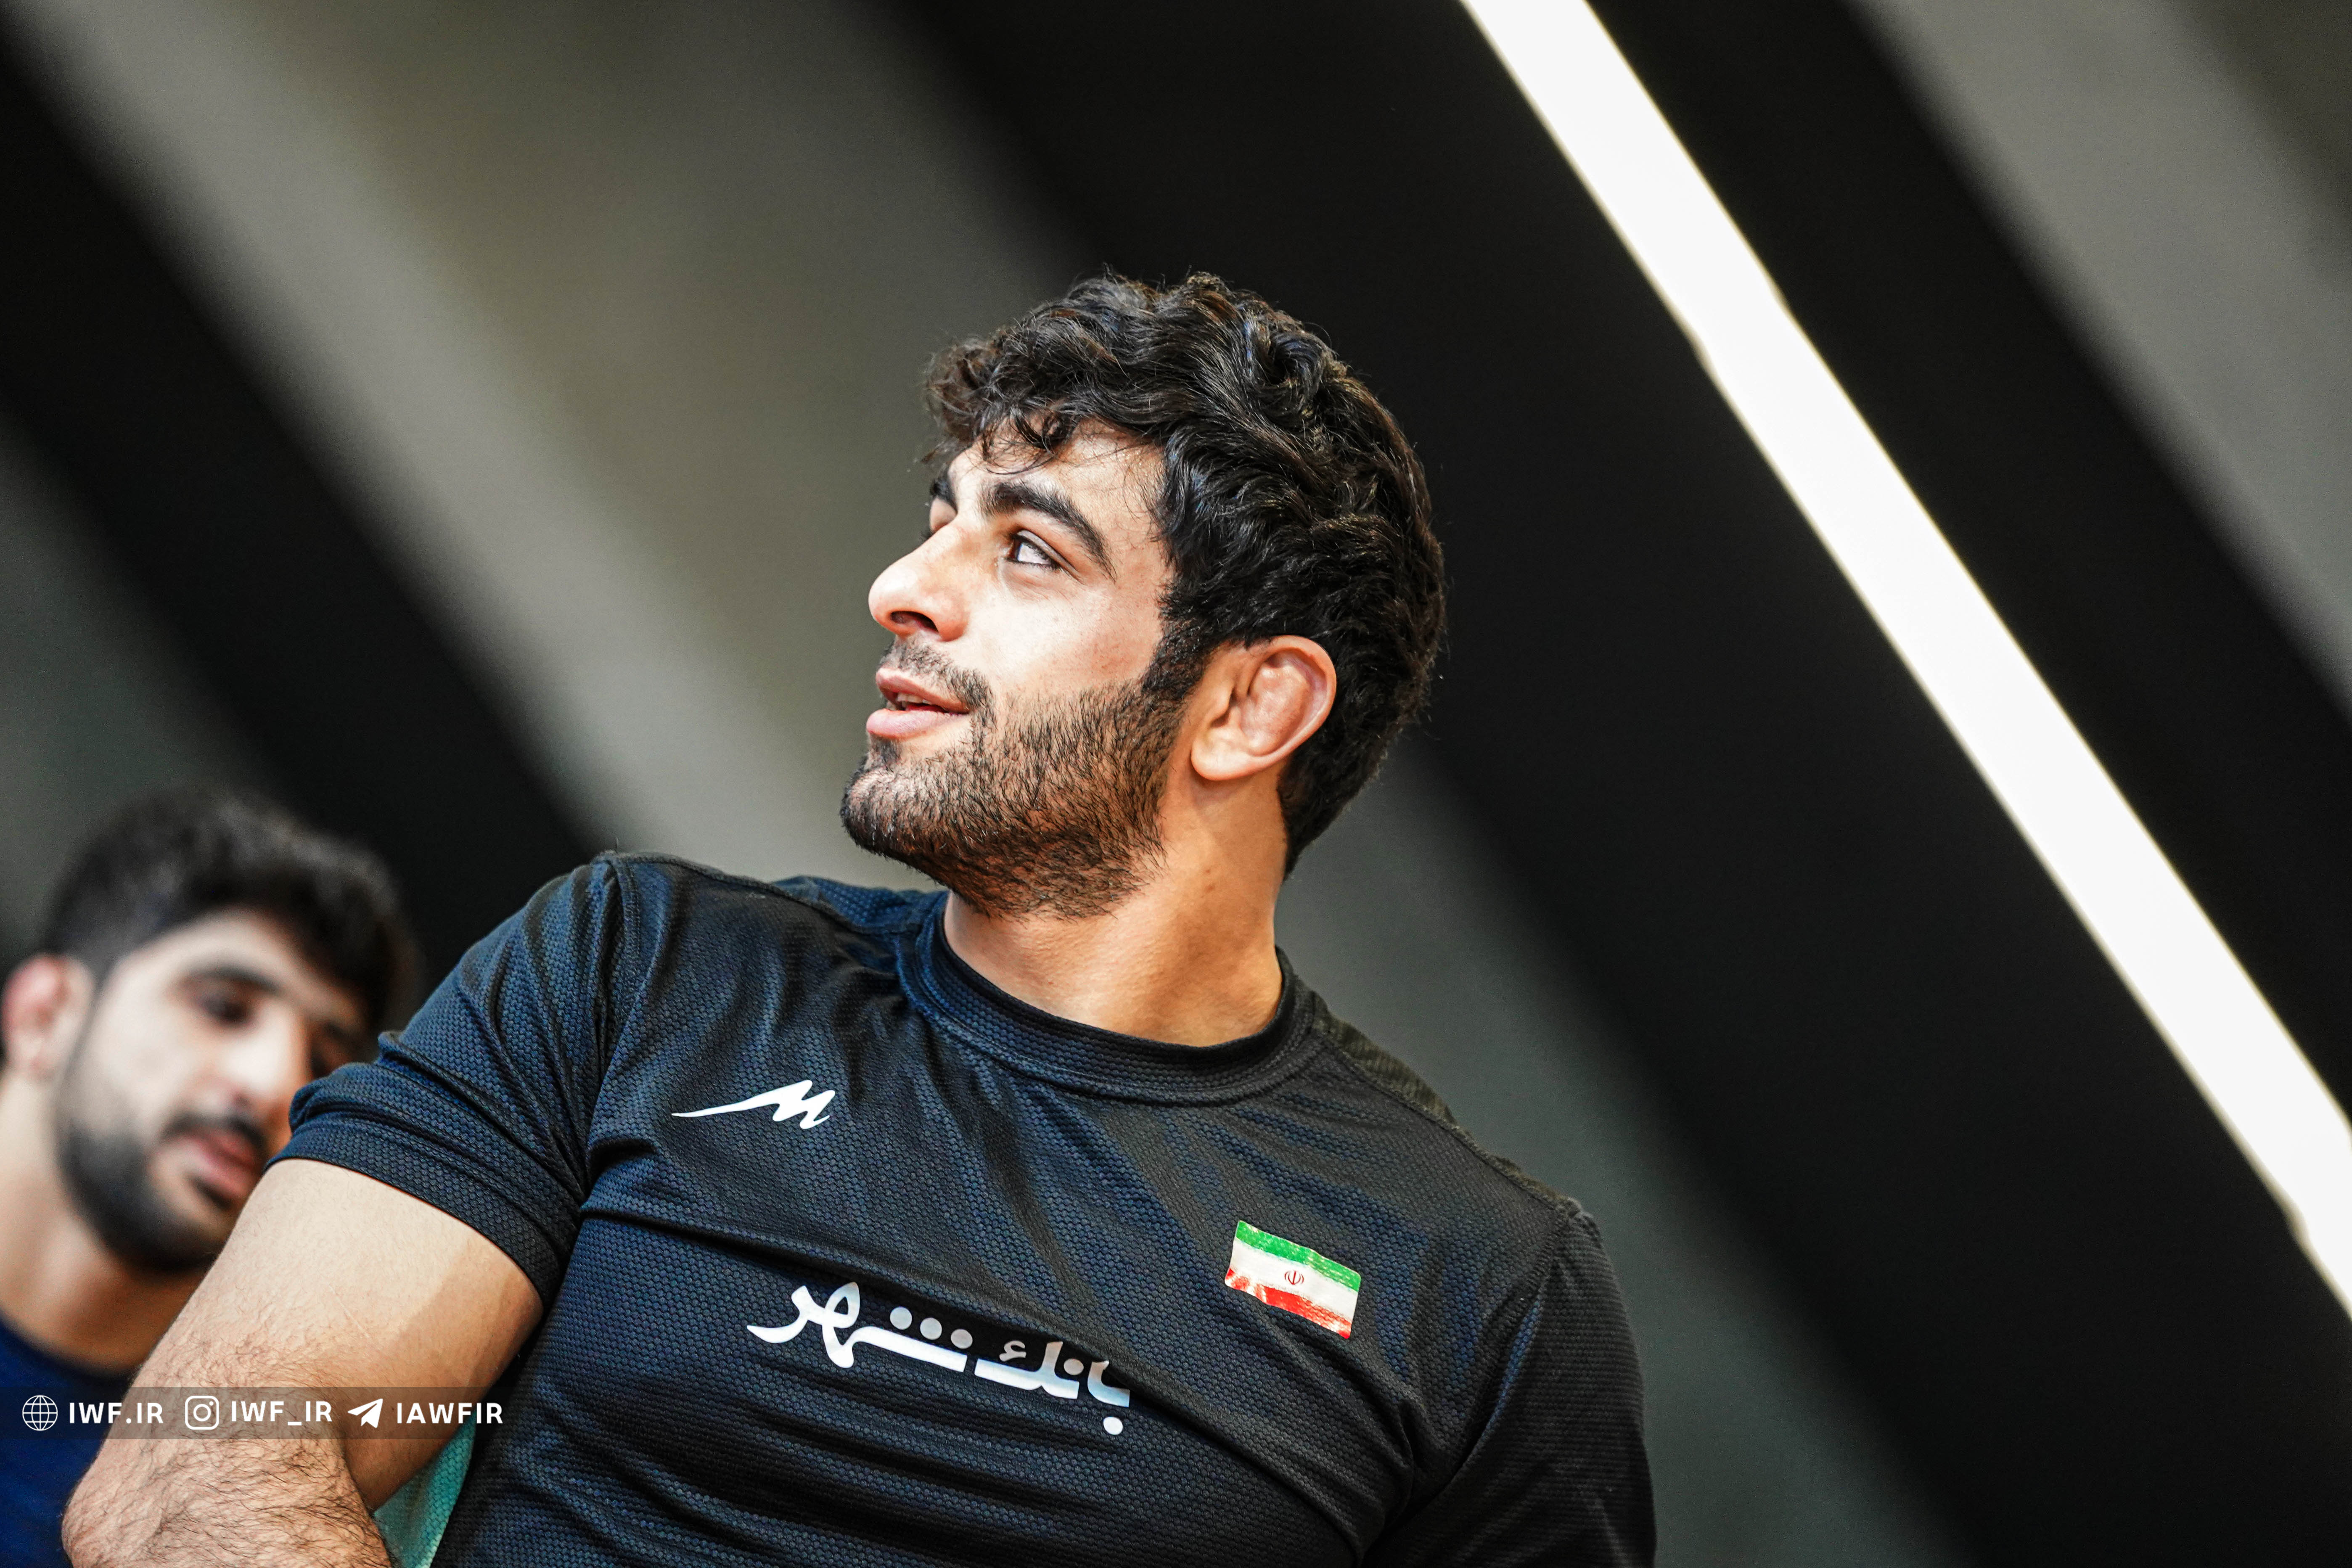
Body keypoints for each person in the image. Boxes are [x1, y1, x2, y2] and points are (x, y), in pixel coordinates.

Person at [67, 275, 1654, 1565]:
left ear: (1250, 707)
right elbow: (193, 1468)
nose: (903, 586)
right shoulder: (640, 971)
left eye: (1026, 549)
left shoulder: (1480, 1291)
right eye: (940, 520)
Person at [1, 790, 417, 1568]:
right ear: (43, 1015)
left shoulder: (251, 1495)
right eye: (222, 1006)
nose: (277, 1084)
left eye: (323, 1062)